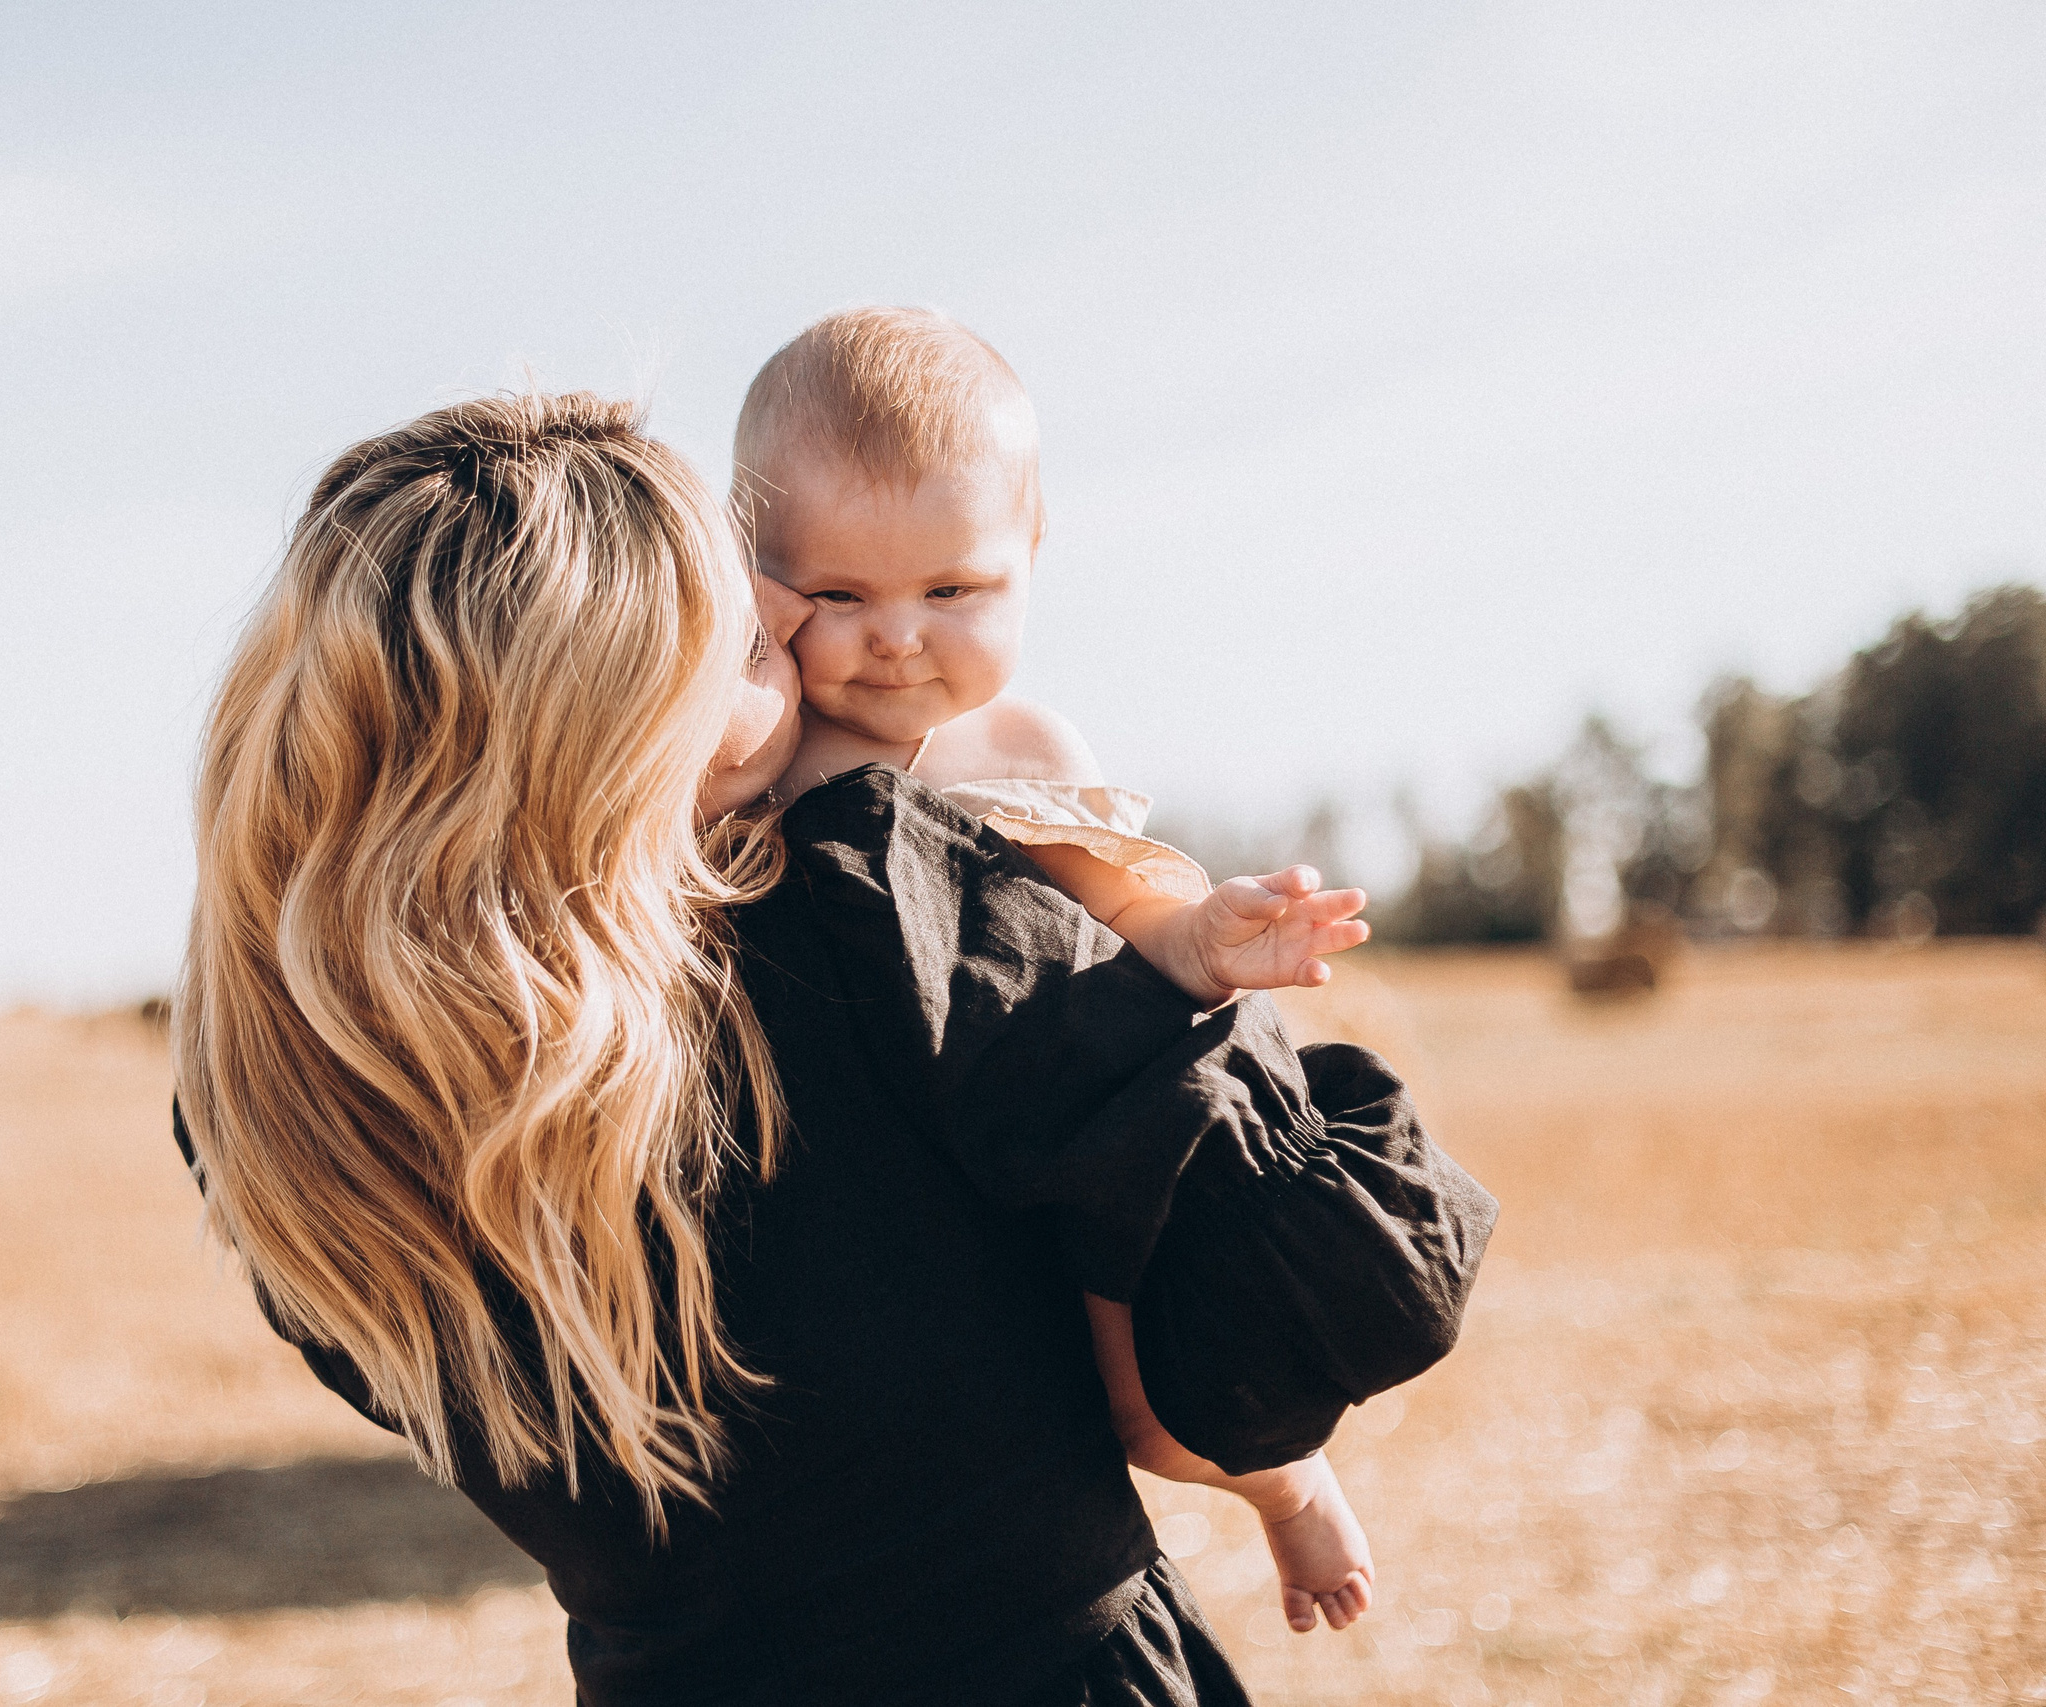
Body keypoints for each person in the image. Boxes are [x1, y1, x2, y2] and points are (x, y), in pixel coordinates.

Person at [172, 391, 1495, 1705]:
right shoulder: (865, 925)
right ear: (623, 739)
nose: (814, 630)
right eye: (748, 641)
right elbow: (1316, 1307)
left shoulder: (286, 1109)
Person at [737, 305, 1380, 1630]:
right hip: (879, 1178)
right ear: (758, 582)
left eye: (952, 591)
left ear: (1030, 554)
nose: (897, 636)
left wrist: (1204, 940)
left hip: (1050, 1134)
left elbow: (1125, 899)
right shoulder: (760, 748)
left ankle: (1286, 1484)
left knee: (1142, 1408)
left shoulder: (1020, 748)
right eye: (839, 595)